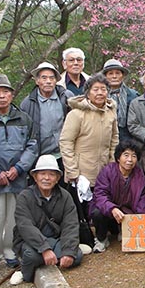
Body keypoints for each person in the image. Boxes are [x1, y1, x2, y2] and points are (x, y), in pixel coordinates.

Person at [0, 74, 38, 272]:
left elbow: (32, 145)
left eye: (5, 92)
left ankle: (11, 252)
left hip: (17, 178)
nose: (1, 96)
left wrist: (18, 168)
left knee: (14, 218)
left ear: (12, 95)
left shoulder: (24, 118)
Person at [13, 155, 83, 283]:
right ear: (35, 177)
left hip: (55, 239)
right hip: (32, 242)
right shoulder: (24, 197)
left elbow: (70, 224)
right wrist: (44, 249)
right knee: (31, 256)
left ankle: (53, 257)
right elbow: (25, 226)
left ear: (57, 179)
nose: (46, 178)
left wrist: (68, 251)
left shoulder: (65, 196)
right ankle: (27, 271)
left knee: (75, 255)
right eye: (42, 174)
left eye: (51, 174)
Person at [60, 74, 119, 217]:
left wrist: (112, 164)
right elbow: (66, 142)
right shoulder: (77, 114)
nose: (100, 93)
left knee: (101, 209)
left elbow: (114, 139)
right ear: (87, 92)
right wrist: (72, 171)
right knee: (81, 212)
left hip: (104, 169)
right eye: (95, 89)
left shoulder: (111, 112)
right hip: (81, 172)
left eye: (103, 89)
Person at [90, 140, 145, 253]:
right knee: (97, 213)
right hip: (109, 212)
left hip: (127, 214)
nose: (130, 160)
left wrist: (141, 220)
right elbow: (100, 195)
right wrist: (112, 208)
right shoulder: (107, 171)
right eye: (126, 155)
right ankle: (101, 239)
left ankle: (124, 231)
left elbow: (142, 201)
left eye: (134, 156)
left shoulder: (139, 175)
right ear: (118, 158)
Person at [20, 61, 72, 172]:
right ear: (37, 81)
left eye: (51, 78)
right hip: (39, 157)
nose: (48, 81)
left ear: (56, 81)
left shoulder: (66, 97)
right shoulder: (28, 103)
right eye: (44, 78)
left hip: (64, 156)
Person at [102, 59, 139, 142]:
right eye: (110, 73)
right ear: (105, 76)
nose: (114, 76)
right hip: (105, 138)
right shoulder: (100, 95)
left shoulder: (133, 95)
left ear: (122, 75)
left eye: (117, 73)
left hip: (128, 139)